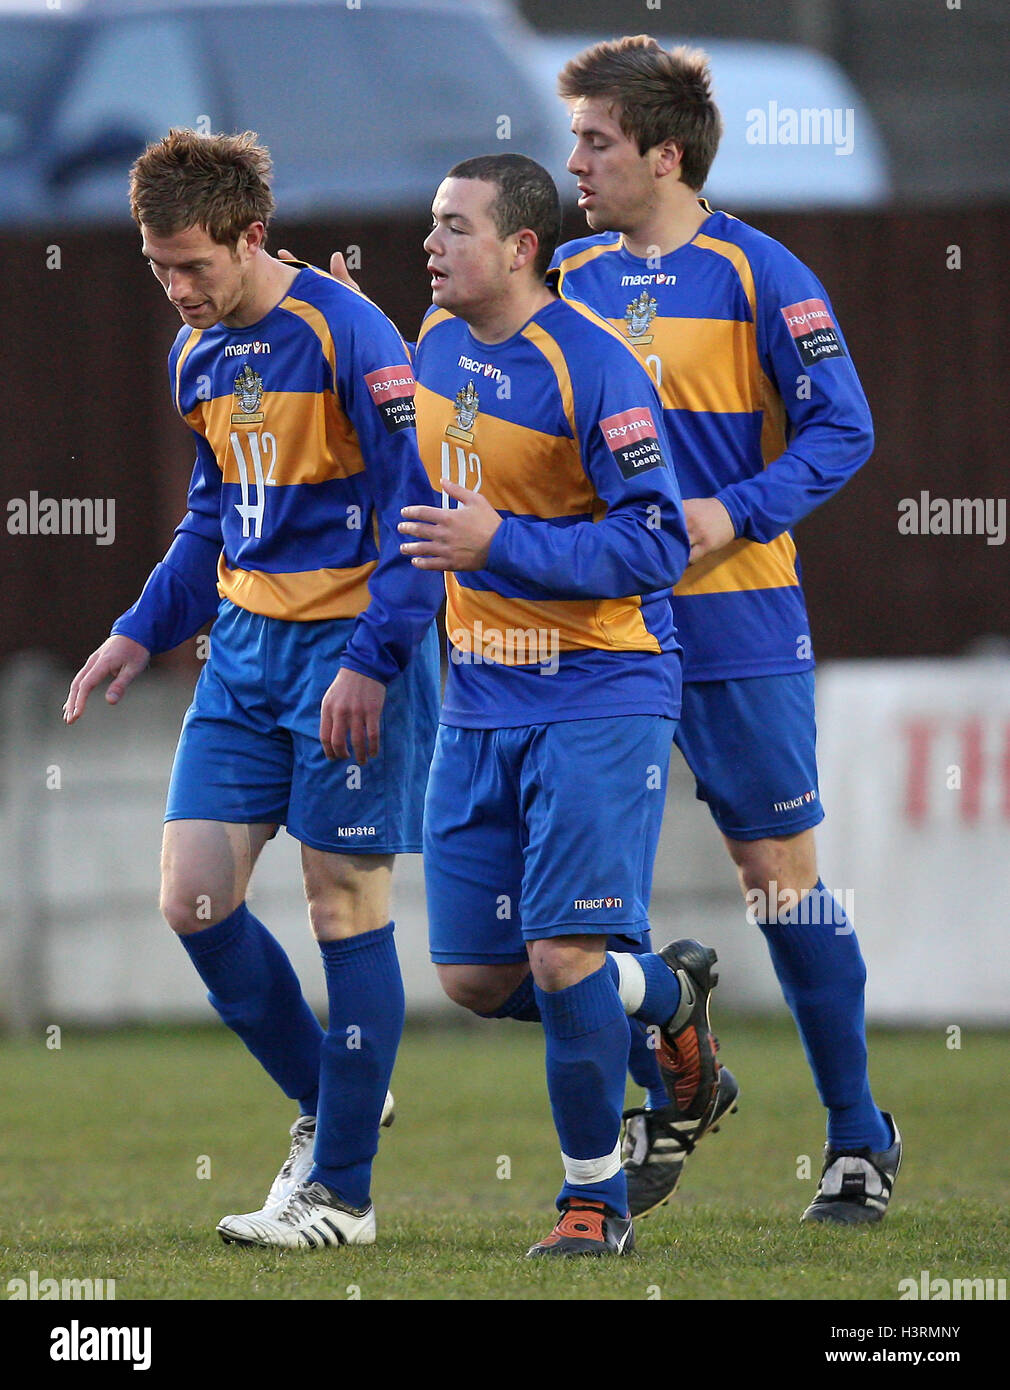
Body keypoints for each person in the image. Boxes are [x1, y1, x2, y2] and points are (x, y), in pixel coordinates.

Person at [63, 128, 443, 1250]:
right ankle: (336, 1104)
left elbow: (419, 517)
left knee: (341, 906)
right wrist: (137, 632)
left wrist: (374, 660)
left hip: (348, 657)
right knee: (191, 899)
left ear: (251, 235)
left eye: (192, 263)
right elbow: (210, 518)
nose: (175, 287)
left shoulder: (347, 332)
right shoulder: (195, 358)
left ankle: (342, 1197)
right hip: (240, 654)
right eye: (156, 266)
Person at [550, 36, 899, 1225]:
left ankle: (857, 1135)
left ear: (663, 152)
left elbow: (840, 430)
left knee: (776, 878)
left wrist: (729, 511)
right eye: (574, 139)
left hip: (739, 616)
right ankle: (675, 1075)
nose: (574, 161)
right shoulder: (568, 276)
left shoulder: (762, 274)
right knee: (586, 897)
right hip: (606, 624)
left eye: (595, 141)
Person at [397, 151, 725, 1256]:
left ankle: (593, 1202)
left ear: (520, 247)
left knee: (558, 956)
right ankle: (664, 996)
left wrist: (505, 543)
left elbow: (655, 540)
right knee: (474, 974)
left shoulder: (594, 366)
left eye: (452, 227)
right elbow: (417, 511)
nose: (430, 245)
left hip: (598, 688)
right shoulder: (434, 344)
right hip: (476, 698)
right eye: (431, 226)